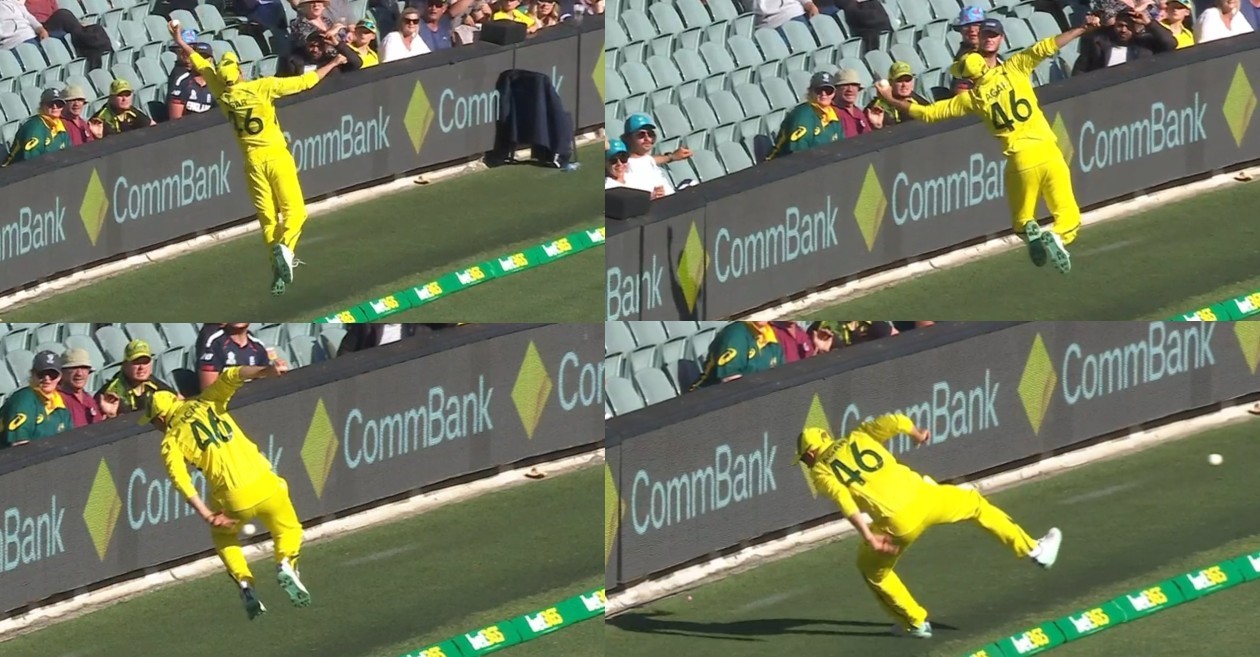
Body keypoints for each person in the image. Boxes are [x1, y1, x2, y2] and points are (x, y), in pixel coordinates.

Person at [795, 415, 1062, 638]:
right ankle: (1035, 550)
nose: (807, 466)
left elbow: (845, 501)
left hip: (897, 523)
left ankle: (915, 623)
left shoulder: (821, 471)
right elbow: (896, 420)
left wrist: (869, 536)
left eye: (805, 460)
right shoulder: (859, 435)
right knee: (976, 505)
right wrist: (918, 434)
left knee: (873, 570)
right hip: (926, 496)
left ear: (811, 454)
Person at [876, 16, 1102, 275]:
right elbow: (1047, 46)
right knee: (1069, 215)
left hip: (1019, 161)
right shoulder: (1014, 68)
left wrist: (891, 100)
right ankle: (1060, 236)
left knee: (1020, 222)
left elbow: (928, 114)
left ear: (969, 78)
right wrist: (1082, 28)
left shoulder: (973, 99)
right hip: (1048, 150)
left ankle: (1032, 233)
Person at [170, 23, 346, 296]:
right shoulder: (261, 87)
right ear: (239, 72)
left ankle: (277, 269)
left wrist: (180, 40)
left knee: (267, 219)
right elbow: (305, 82)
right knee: (295, 212)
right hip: (276, 156)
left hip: (252, 162)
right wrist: (334, 61)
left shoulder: (222, 93)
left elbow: (199, 63)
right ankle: (285, 249)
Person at [141, 362, 309, 620]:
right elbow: (232, 375)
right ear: (178, 398)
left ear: (161, 419)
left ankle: (244, 580)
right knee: (289, 529)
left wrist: (208, 515)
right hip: (263, 481)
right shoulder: (207, 401)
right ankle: (285, 561)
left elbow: (181, 481)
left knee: (223, 537)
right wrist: (267, 371)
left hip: (231, 500)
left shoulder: (170, 439)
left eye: (154, 423)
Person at [766, 71, 845, 160]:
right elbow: (799, 154)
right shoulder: (802, 115)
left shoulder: (833, 116)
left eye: (828, 90)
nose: (824, 94)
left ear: (834, 93)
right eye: (819, 90)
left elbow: (840, 147)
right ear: (810, 92)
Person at [0, 351, 72, 447]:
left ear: (60, 377)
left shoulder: (60, 405)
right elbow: (19, 445)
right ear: (32, 374)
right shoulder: (23, 399)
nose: (47, 378)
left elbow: (70, 441)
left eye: (52, 374)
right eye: (42, 374)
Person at [2, 87, 71, 166]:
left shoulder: (60, 126)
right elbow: (32, 163)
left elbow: (68, 154)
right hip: (15, 173)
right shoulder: (34, 128)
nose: (55, 107)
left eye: (59, 104)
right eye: (50, 104)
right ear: (42, 106)